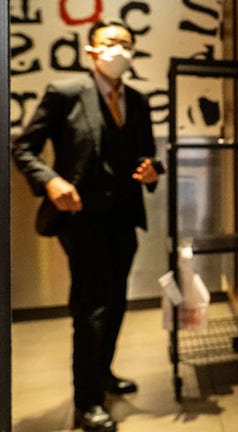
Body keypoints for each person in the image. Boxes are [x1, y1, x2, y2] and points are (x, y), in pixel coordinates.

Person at [11, 19, 162, 432]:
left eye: (127, 44)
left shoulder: (137, 99)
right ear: (91, 50)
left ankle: (104, 372)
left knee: (116, 302)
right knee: (91, 308)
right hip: (81, 219)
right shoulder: (66, 93)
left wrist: (152, 170)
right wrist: (51, 180)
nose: (120, 50)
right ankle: (87, 402)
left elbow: (146, 155)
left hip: (124, 217)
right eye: (111, 42)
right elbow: (23, 147)